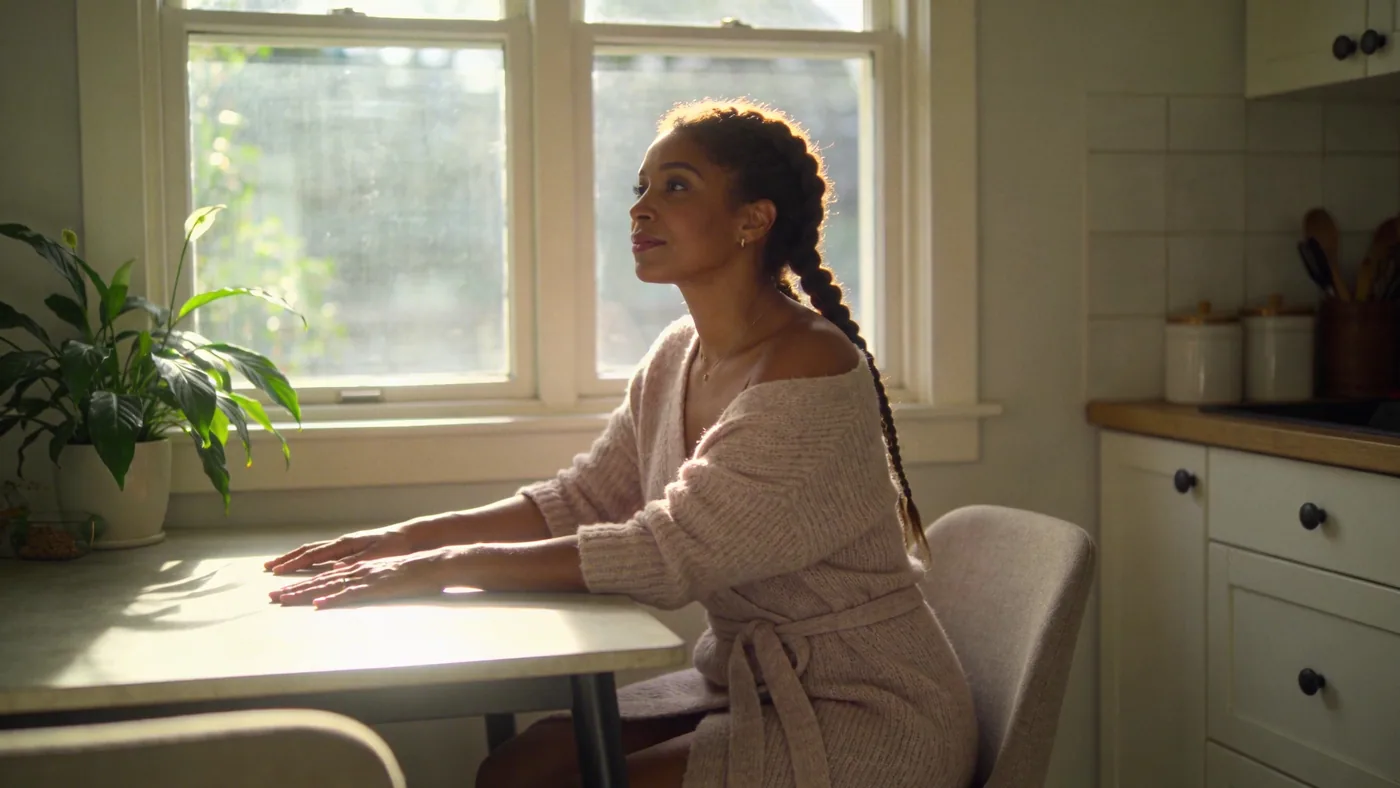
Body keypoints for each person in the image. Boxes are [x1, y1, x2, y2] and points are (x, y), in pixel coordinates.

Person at [264, 100, 978, 788]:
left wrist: (448, 564)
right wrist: (406, 539)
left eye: (675, 187)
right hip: (744, 683)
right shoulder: (680, 352)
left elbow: (668, 554)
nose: (640, 209)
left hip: (868, 709)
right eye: (641, 188)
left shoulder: (808, 368)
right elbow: (584, 500)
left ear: (751, 221)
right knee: (516, 770)